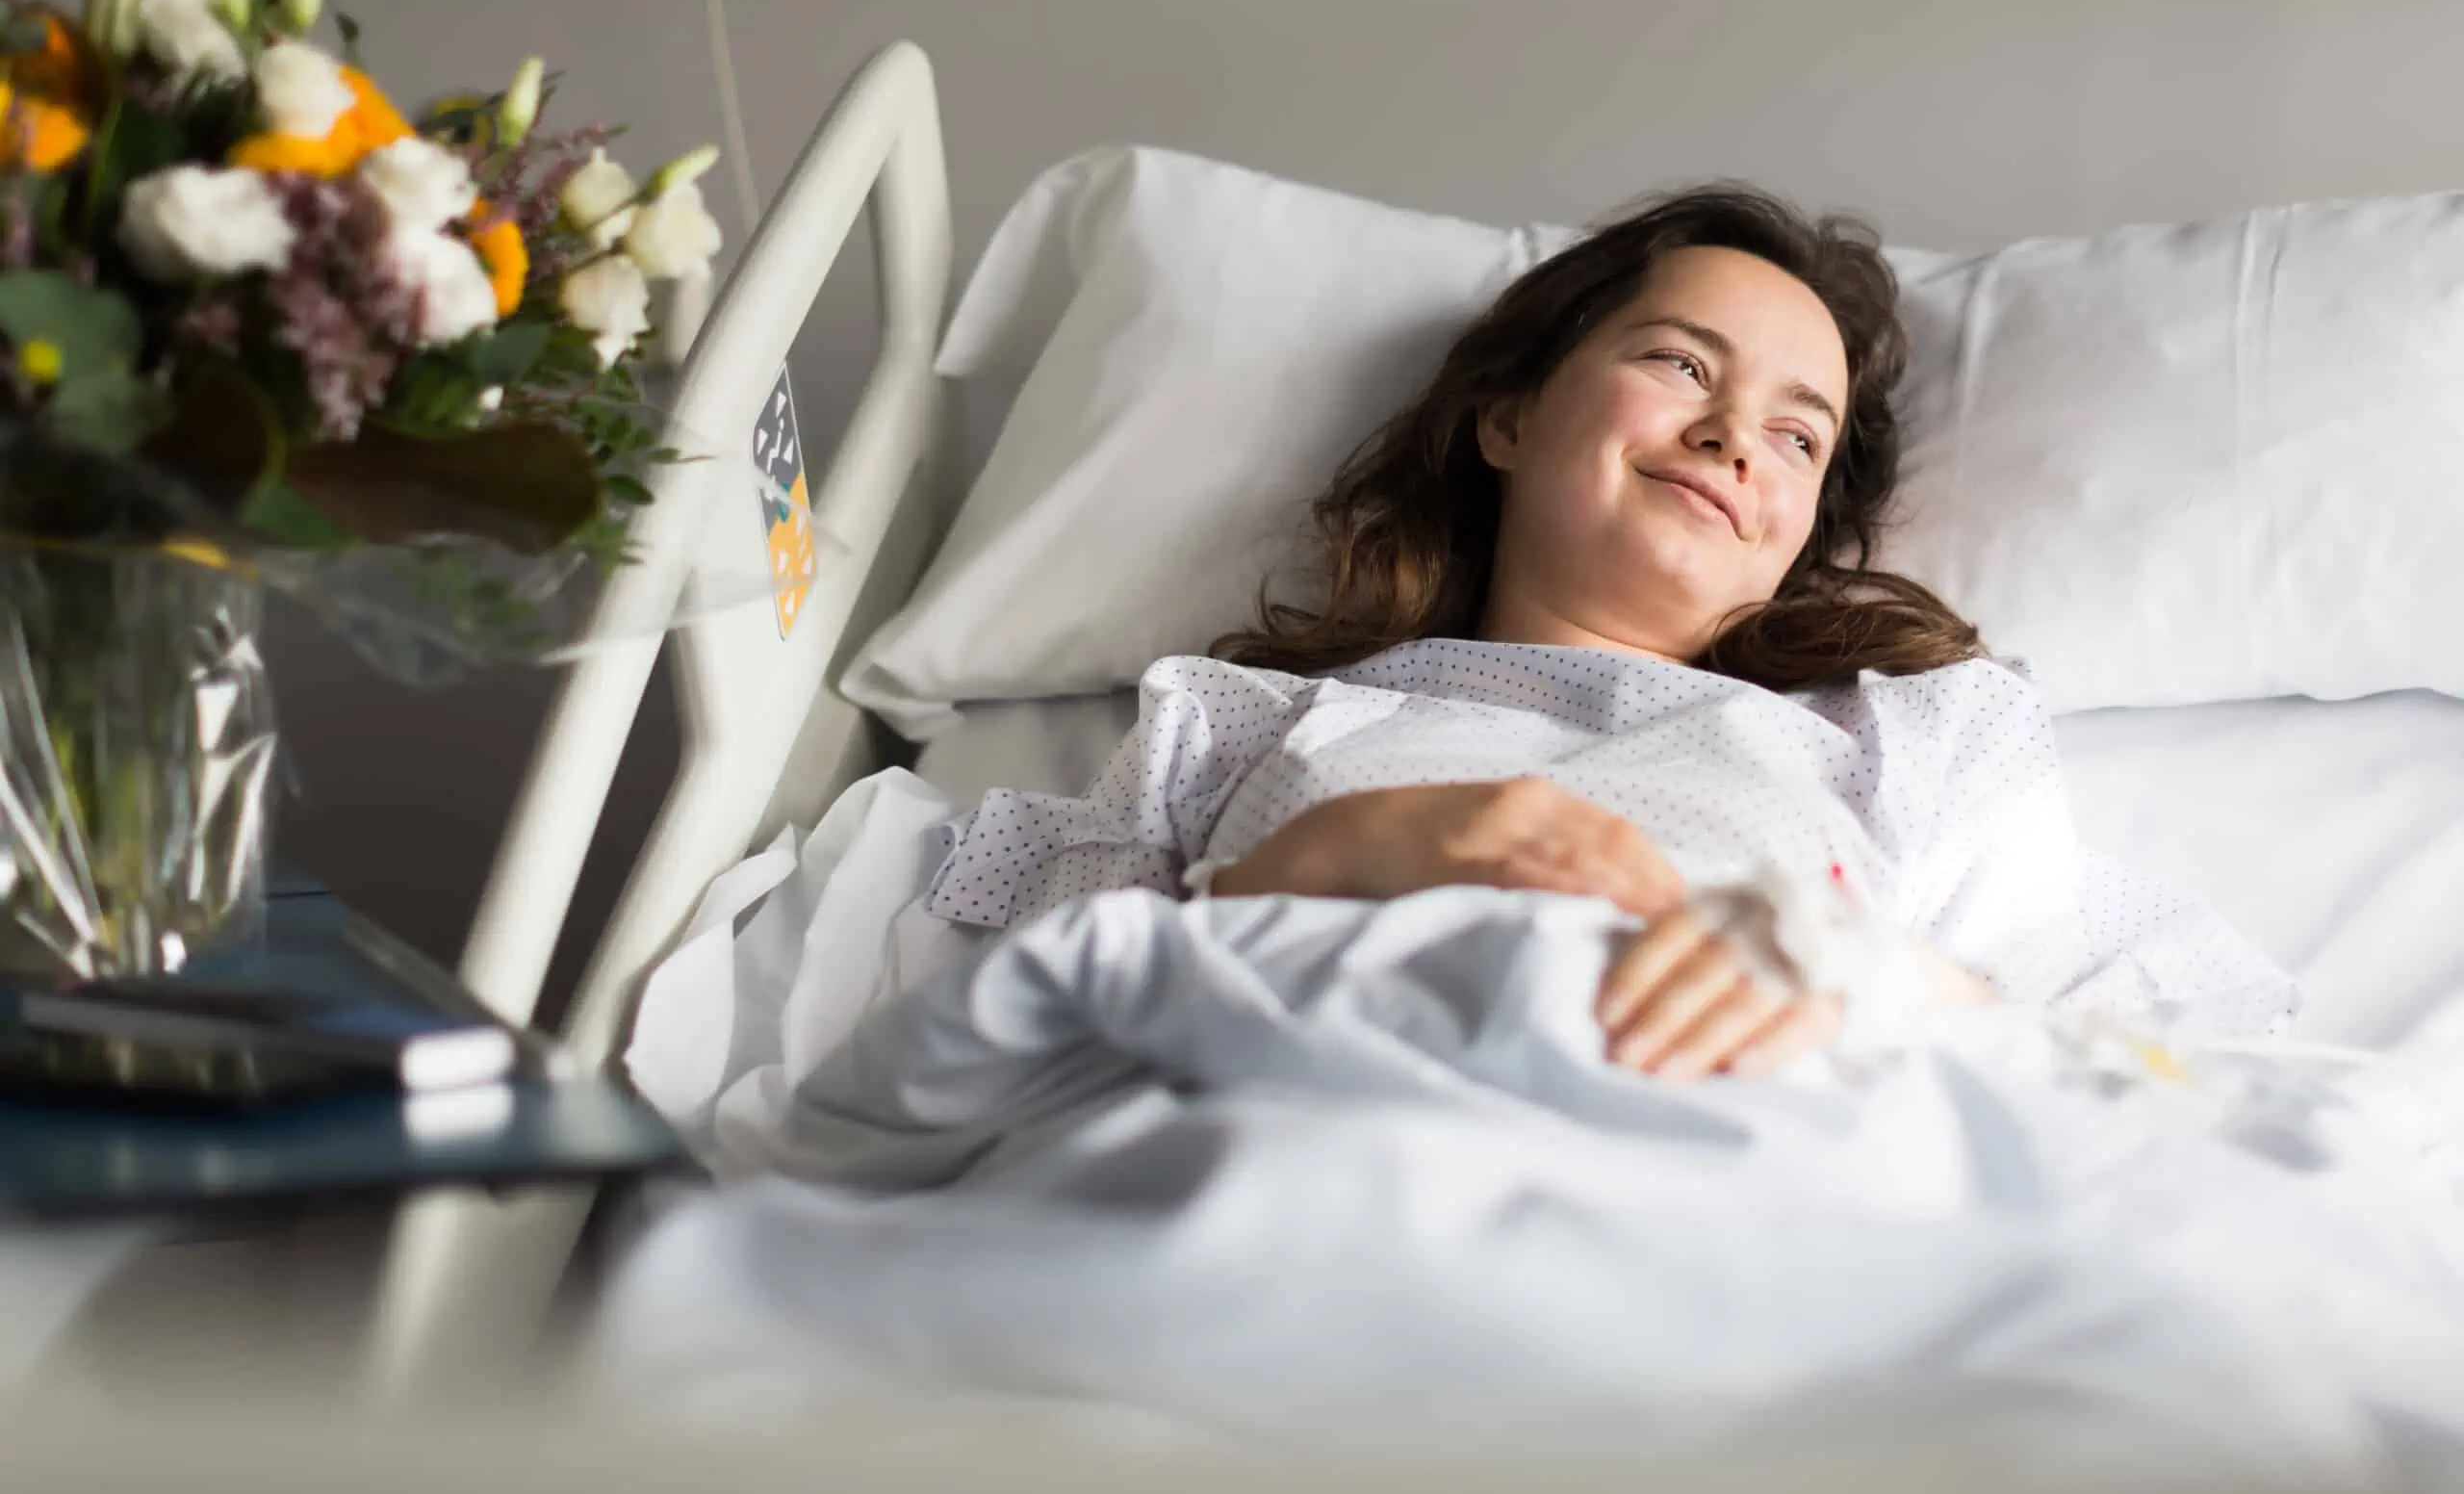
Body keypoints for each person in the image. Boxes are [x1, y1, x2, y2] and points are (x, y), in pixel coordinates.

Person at [919, 186, 2293, 1077]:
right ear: (1507, 420)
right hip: (1312, 1162)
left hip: (1750, 1186)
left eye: (1796, 431)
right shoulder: (1237, 724)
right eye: (1680, 363)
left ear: (1803, 527)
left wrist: (1868, 975)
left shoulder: (1898, 744)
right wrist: (1329, 857)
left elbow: (2128, 1066)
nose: (1732, 437)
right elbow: (1018, 1042)